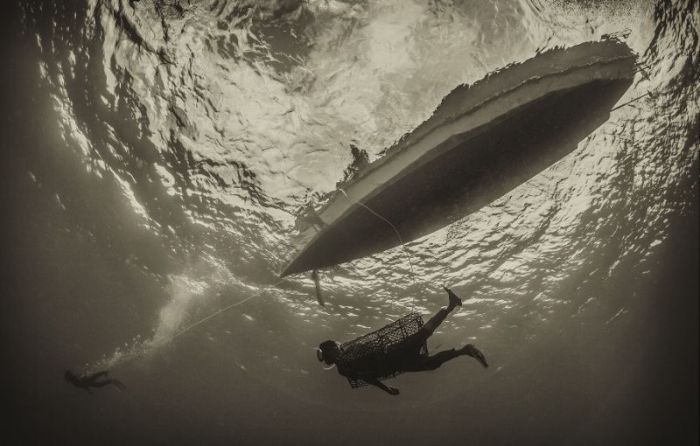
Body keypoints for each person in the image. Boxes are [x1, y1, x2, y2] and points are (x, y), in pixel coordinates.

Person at [317, 287, 488, 395]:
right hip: (396, 363)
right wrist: (386, 389)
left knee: (424, 336)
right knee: (430, 362)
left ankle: (451, 307)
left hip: (394, 354)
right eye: (330, 351)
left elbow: (369, 371)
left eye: (330, 350)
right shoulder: (345, 366)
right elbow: (368, 376)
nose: (331, 354)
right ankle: (464, 350)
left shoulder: (348, 357)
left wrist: (386, 389)